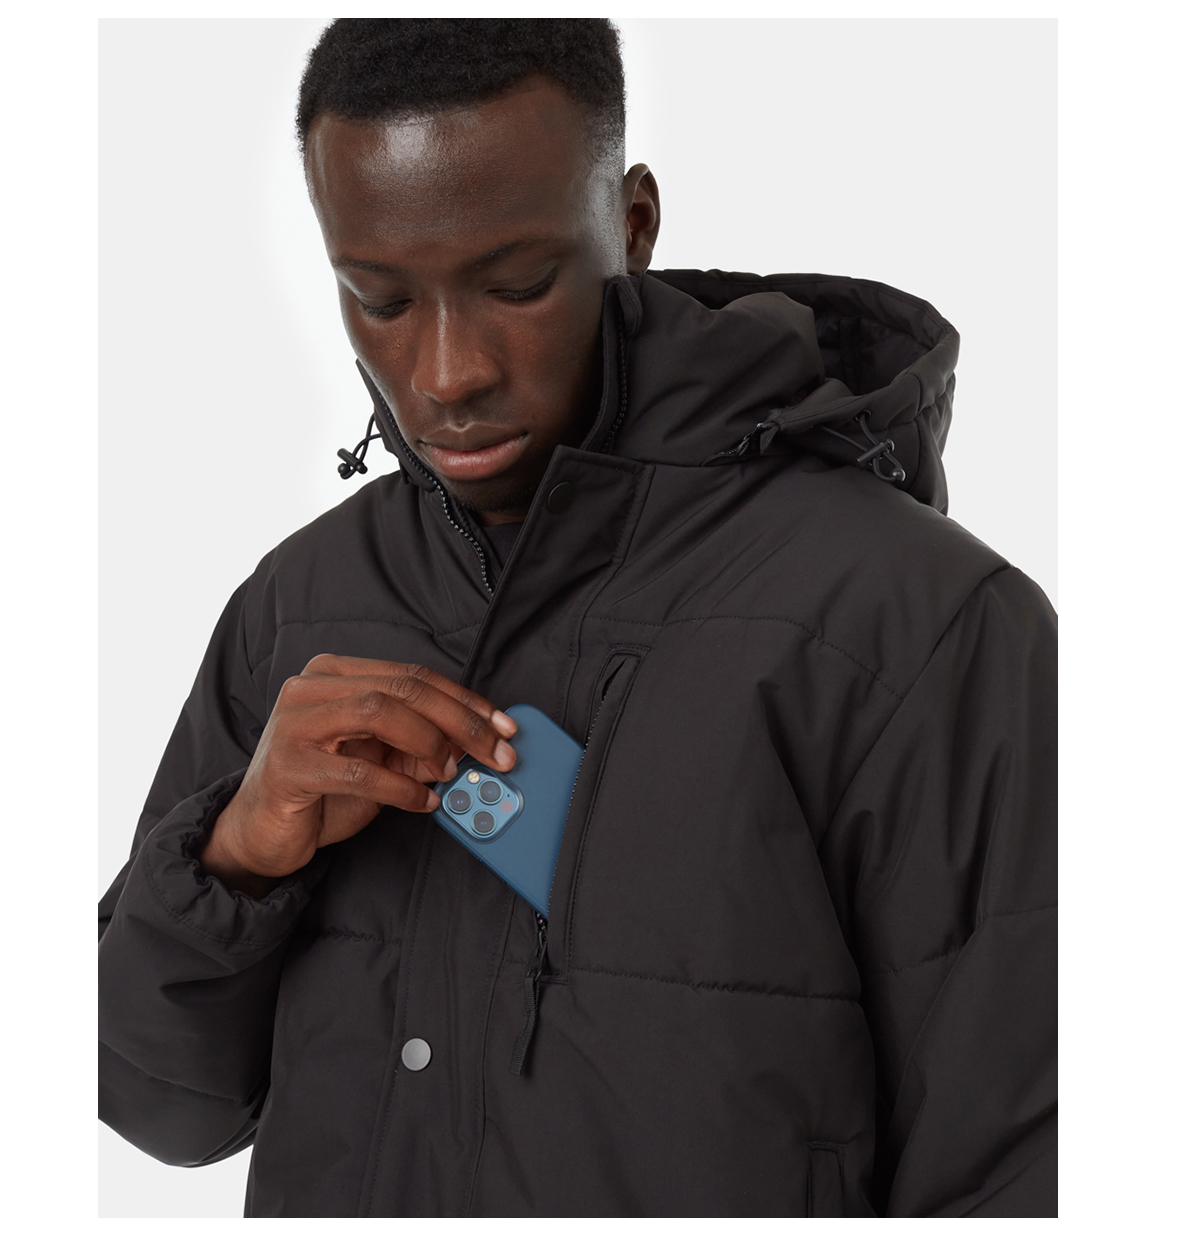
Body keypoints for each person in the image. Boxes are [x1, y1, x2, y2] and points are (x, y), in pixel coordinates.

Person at [98, 17, 1056, 1218]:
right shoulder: (298, 608)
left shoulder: (913, 626)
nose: (446, 373)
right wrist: (235, 861)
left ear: (632, 224)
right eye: (379, 299)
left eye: (517, 285)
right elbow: (159, 1109)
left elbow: (1025, 1163)